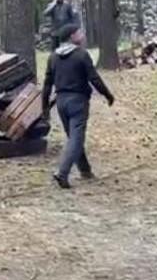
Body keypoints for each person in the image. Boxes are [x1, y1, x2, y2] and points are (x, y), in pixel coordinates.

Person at [41, 25, 115, 189]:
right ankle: (62, 173)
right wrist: (108, 95)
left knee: (74, 138)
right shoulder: (81, 55)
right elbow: (94, 78)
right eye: (79, 32)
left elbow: (47, 84)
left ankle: (85, 170)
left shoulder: (53, 57)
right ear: (72, 36)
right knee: (76, 138)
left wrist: (44, 106)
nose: (82, 35)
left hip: (61, 102)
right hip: (78, 101)